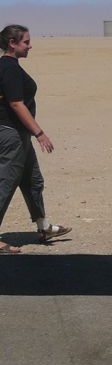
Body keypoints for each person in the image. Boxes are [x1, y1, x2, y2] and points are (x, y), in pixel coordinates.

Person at [0, 24, 72, 254]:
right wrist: (39, 133)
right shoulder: (9, 68)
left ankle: (44, 227)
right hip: (11, 134)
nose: (30, 46)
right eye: (26, 42)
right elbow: (15, 103)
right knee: (5, 183)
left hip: (19, 133)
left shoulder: (10, 66)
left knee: (33, 181)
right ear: (12, 43)